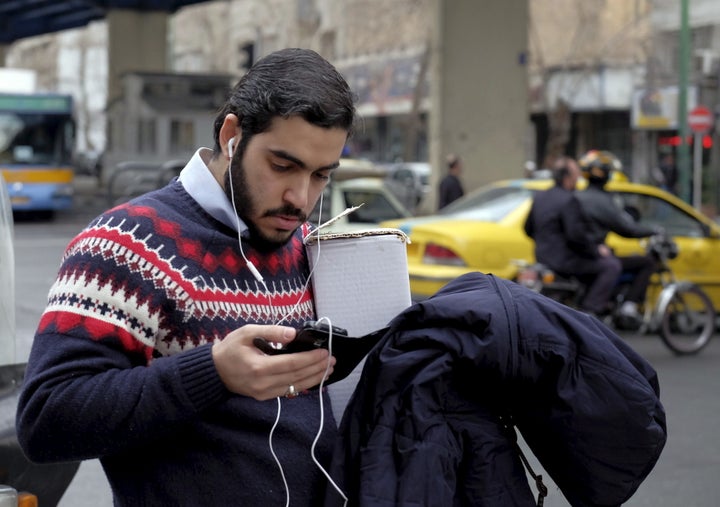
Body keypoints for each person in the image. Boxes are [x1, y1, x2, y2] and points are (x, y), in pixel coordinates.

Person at [16, 48, 356, 506]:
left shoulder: (311, 248)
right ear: (232, 134)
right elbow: (46, 421)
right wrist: (213, 372)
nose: (300, 197)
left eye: (321, 176)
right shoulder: (124, 243)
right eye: (282, 166)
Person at [524, 156, 622, 316]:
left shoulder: (540, 197)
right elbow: (576, 236)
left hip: (542, 258)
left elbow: (527, 228)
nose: (579, 179)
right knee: (611, 266)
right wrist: (596, 251)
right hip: (565, 262)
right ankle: (590, 311)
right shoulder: (569, 200)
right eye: (576, 175)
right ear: (567, 177)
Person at [576, 150, 659, 321]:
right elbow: (627, 229)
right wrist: (653, 231)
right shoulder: (603, 201)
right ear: (604, 174)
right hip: (592, 255)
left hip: (580, 254)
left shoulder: (578, 196)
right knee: (646, 262)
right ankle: (626, 306)